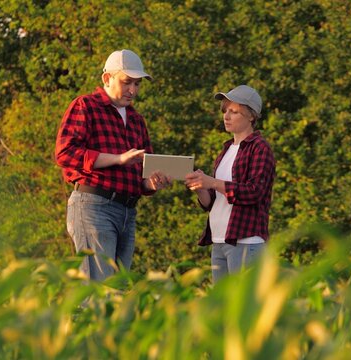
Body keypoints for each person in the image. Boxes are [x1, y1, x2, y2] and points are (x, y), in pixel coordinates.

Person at [55, 49, 171, 281]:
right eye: (127, 82)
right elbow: (65, 153)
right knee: (98, 289)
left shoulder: (137, 121)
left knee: (118, 290)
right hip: (93, 206)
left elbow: (140, 179)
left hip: (128, 210)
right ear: (107, 79)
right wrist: (118, 158)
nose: (133, 90)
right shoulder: (85, 106)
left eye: (137, 84)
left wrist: (152, 183)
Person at [185, 85, 275, 283]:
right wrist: (201, 188)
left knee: (242, 310)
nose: (226, 116)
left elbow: (255, 192)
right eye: (225, 111)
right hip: (219, 240)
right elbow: (212, 203)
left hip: (245, 242)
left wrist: (213, 182)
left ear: (251, 116)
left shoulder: (260, 148)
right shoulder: (226, 150)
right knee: (221, 310)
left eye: (233, 111)